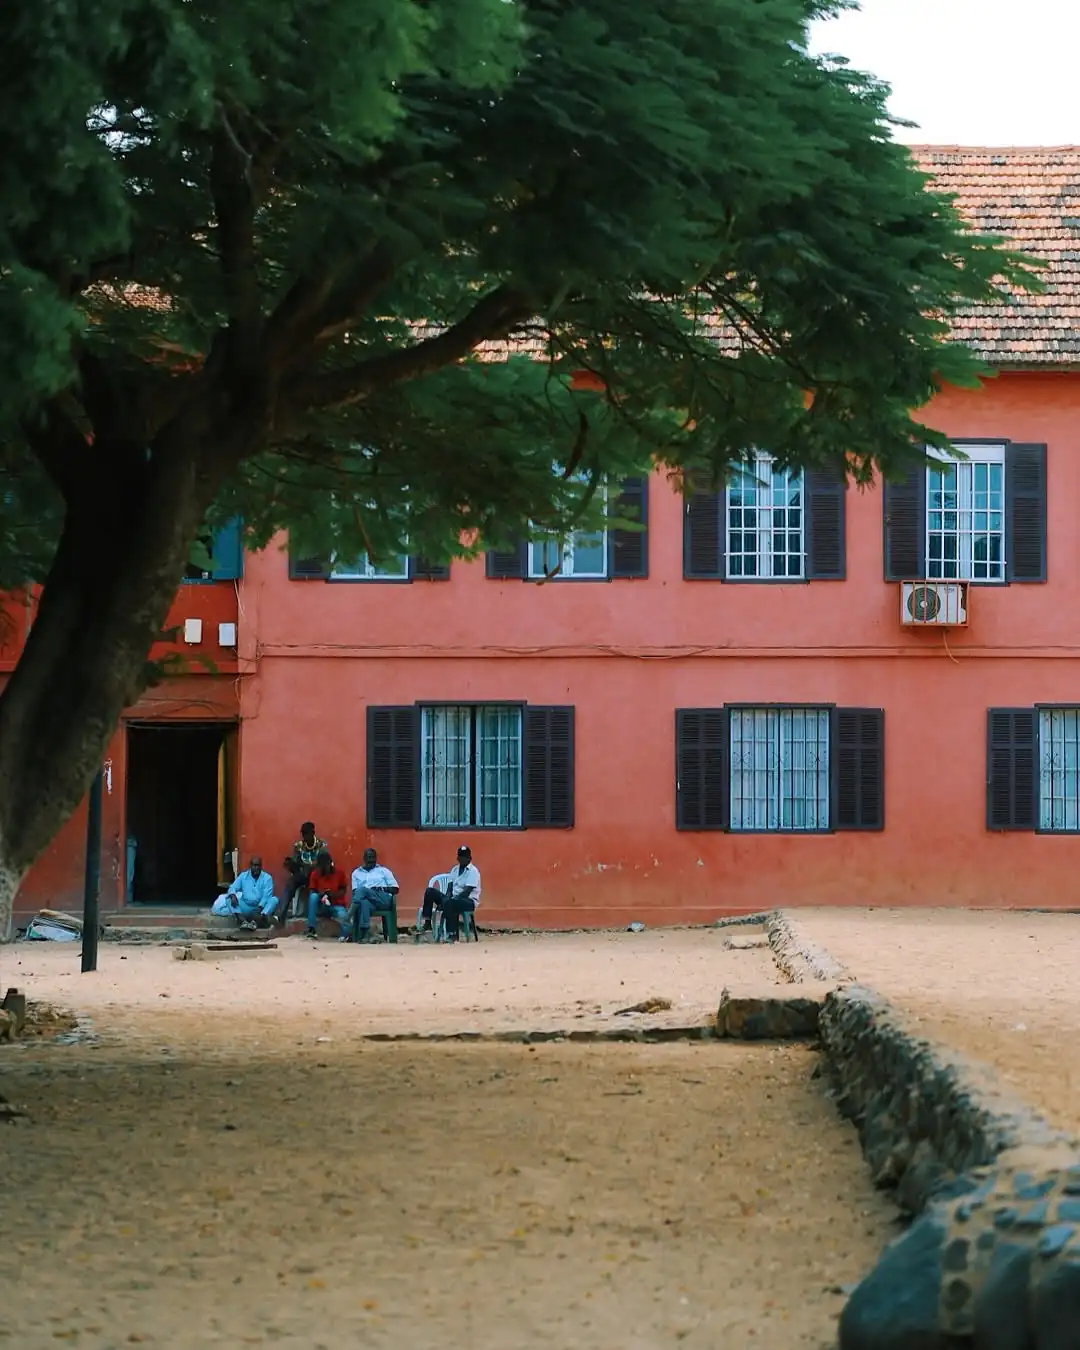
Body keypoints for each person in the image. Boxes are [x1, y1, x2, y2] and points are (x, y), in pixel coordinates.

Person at [420, 845, 481, 941]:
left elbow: (467, 891)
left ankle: (451, 934)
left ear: (469, 858)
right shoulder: (455, 869)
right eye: (460, 857)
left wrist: (450, 900)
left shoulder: (473, 871)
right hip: (452, 898)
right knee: (430, 891)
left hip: (468, 901)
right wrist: (446, 897)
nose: (461, 860)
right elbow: (450, 887)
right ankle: (427, 922)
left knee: (450, 903)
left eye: (464, 858)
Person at [274, 821, 326, 925]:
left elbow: (324, 863)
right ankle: (280, 915)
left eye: (307, 834)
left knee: (315, 878)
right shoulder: (299, 846)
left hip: (318, 876)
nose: (304, 837)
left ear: (313, 833)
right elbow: (296, 865)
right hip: (303, 875)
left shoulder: (321, 845)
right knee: (291, 883)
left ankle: (319, 912)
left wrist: (312, 868)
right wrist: (291, 864)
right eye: (303, 834)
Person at [345, 848, 399, 944]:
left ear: (376, 858)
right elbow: (355, 893)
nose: (371, 860)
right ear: (364, 858)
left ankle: (348, 916)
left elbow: (395, 889)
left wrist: (381, 889)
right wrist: (366, 892)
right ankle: (364, 935)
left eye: (373, 857)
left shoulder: (384, 871)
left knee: (361, 890)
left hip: (383, 899)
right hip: (366, 900)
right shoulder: (356, 873)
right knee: (364, 902)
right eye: (369, 857)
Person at [211, 856, 278, 930]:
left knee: (274, 900)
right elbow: (232, 887)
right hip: (246, 906)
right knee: (229, 899)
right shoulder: (243, 876)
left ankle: (256, 921)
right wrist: (233, 895)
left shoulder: (267, 878)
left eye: (258, 865)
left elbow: (266, 896)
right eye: (254, 865)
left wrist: (259, 908)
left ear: (261, 866)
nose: (257, 868)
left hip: (260, 910)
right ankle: (243, 922)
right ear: (250, 866)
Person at [305, 849, 348, 939]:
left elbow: (343, 890)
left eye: (326, 866)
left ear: (330, 864)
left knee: (344, 916)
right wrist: (321, 894)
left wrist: (332, 894)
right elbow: (312, 891)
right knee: (313, 896)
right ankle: (312, 928)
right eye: (322, 866)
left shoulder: (339, 873)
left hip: (336, 904)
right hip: (321, 905)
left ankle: (345, 936)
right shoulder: (315, 874)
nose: (324, 869)